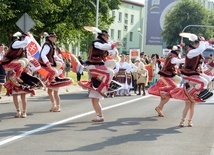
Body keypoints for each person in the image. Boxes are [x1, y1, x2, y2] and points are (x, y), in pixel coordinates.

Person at [79, 30, 121, 122]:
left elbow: (109, 51)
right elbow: (103, 46)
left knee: (95, 99)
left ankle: (100, 115)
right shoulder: (97, 43)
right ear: (103, 36)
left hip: (97, 69)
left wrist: (114, 49)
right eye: (107, 36)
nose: (108, 38)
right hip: (92, 66)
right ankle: (99, 114)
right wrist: (113, 44)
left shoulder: (101, 45)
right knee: (109, 72)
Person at [148, 45, 185, 117]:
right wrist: (190, 58)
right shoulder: (173, 58)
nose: (179, 53)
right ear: (175, 52)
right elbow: (180, 60)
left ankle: (159, 109)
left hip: (166, 77)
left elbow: (178, 59)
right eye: (178, 51)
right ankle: (160, 100)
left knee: (166, 96)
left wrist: (179, 47)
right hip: (165, 77)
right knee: (172, 89)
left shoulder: (171, 56)